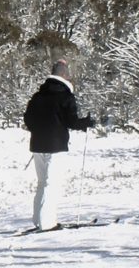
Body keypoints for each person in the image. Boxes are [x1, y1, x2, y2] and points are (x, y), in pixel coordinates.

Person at [23, 63, 96, 231]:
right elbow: (71, 121)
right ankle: (47, 223)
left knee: (42, 183)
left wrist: (39, 130)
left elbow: (28, 119)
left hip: (37, 145)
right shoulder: (65, 96)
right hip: (55, 146)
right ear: (64, 75)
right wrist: (86, 122)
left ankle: (39, 220)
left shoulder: (37, 96)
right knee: (51, 184)